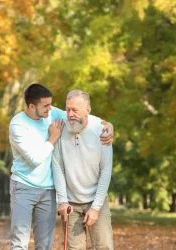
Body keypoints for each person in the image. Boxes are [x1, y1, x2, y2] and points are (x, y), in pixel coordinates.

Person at [9, 83, 113, 250]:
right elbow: (41, 161)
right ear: (32, 106)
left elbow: (82, 115)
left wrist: (107, 124)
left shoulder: (52, 114)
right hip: (24, 186)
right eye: (46, 105)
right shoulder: (19, 125)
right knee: (19, 242)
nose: (51, 109)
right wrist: (54, 137)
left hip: (50, 190)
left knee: (45, 245)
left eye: (51, 105)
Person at [52, 89, 114, 250]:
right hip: (71, 203)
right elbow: (58, 167)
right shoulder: (60, 128)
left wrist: (95, 208)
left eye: (75, 110)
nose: (70, 114)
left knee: (104, 246)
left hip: (96, 200)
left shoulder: (102, 132)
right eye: (68, 109)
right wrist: (62, 200)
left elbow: (105, 172)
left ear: (88, 110)